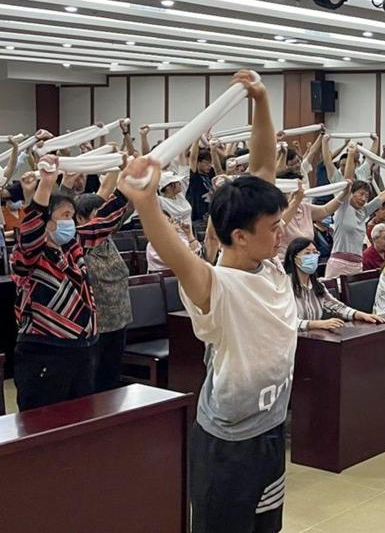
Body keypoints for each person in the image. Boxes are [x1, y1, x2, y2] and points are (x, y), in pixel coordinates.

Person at [118, 70, 294, 533]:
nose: (281, 233)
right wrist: (145, 201)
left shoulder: (269, 263)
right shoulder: (216, 286)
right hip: (228, 446)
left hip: (271, 429)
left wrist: (261, 100)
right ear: (240, 235)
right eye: (274, 227)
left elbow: (263, 170)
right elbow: (176, 254)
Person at [11, 157, 129, 410]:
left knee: (81, 417)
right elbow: (31, 227)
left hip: (83, 349)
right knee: (45, 422)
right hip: (45, 352)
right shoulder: (29, 254)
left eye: (73, 216)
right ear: (46, 222)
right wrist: (46, 184)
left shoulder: (72, 245)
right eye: (65, 216)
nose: (71, 223)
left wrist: (127, 182)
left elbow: (104, 221)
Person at [75, 191, 132, 393]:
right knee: (93, 382)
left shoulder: (108, 239)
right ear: (80, 219)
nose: (107, 220)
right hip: (95, 327)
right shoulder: (80, 246)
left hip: (119, 320)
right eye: (99, 214)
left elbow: (126, 210)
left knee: (112, 380)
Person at [324, 144, 385, 280]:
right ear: (351, 194)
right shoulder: (344, 206)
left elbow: (381, 197)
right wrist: (351, 155)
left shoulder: (363, 212)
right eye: (360, 194)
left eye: (366, 196)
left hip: (357, 265)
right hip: (339, 264)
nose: (363, 199)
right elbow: (348, 181)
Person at [284, 238, 385, 330]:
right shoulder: (284, 286)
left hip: (312, 338)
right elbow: (285, 322)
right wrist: (316, 324)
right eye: (307, 253)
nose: (312, 257)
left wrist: (361, 315)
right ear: (293, 258)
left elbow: (337, 307)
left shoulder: (316, 285)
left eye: (315, 253)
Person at [277, 183, 347, 261]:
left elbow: (326, 210)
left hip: (306, 261)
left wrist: (343, 194)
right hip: (285, 262)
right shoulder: (278, 211)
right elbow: (280, 225)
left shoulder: (304, 207)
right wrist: (295, 201)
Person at [187, 144, 215, 223]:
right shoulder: (194, 176)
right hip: (199, 217)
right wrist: (196, 139)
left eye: (210, 163)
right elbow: (193, 158)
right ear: (198, 162)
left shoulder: (210, 174)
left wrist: (213, 149)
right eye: (206, 163)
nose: (209, 166)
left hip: (211, 214)